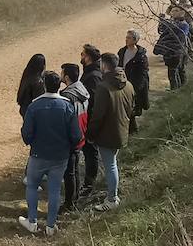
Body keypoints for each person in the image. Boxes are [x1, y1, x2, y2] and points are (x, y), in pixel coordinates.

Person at [18, 72, 80, 236]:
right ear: (59, 85)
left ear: (44, 84)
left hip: (38, 154)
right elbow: (76, 135)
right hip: (60, 156)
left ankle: (32, 221)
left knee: (32, 186)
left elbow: (26, 133)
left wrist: (33, 143)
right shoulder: (67, 106)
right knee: (54, 190)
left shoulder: (34, 106)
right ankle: (51, 226)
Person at [86, 52, 136, 212]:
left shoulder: (103, 87)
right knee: (112, 163)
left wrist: (91, 134)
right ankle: (112, 194)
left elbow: (97, 115)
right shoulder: (128, 84)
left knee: (110, 165)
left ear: (104, 65)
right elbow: (131, 107)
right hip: (121, 128)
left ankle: (112, 198)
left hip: (107, 133)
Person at [58, 63, 92, 212]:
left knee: (69, 172)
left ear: (66, 77)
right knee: (75, 169)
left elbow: (65, 118)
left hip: (71, 137)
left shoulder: (66, 96)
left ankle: (69, 204)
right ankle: (75, 198)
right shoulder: (82, 89)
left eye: (62, 73)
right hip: (81, 133)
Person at [117, 31, 150, 133]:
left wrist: (136, 88)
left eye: (129, 38)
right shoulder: (122, 51)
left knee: (131, 109)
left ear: (135, 40)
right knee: (127, 108)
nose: (126, 39)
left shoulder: (141, 56)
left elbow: (143, 73)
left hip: (135, 86)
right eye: (126, 37)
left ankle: (133, 131)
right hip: (124, 84)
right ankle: (132, 130)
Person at [16, 53, 47, 118]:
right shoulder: (38, 81)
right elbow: (39, 99)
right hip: (32, 111)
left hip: (24, 108)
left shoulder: (27, 74)